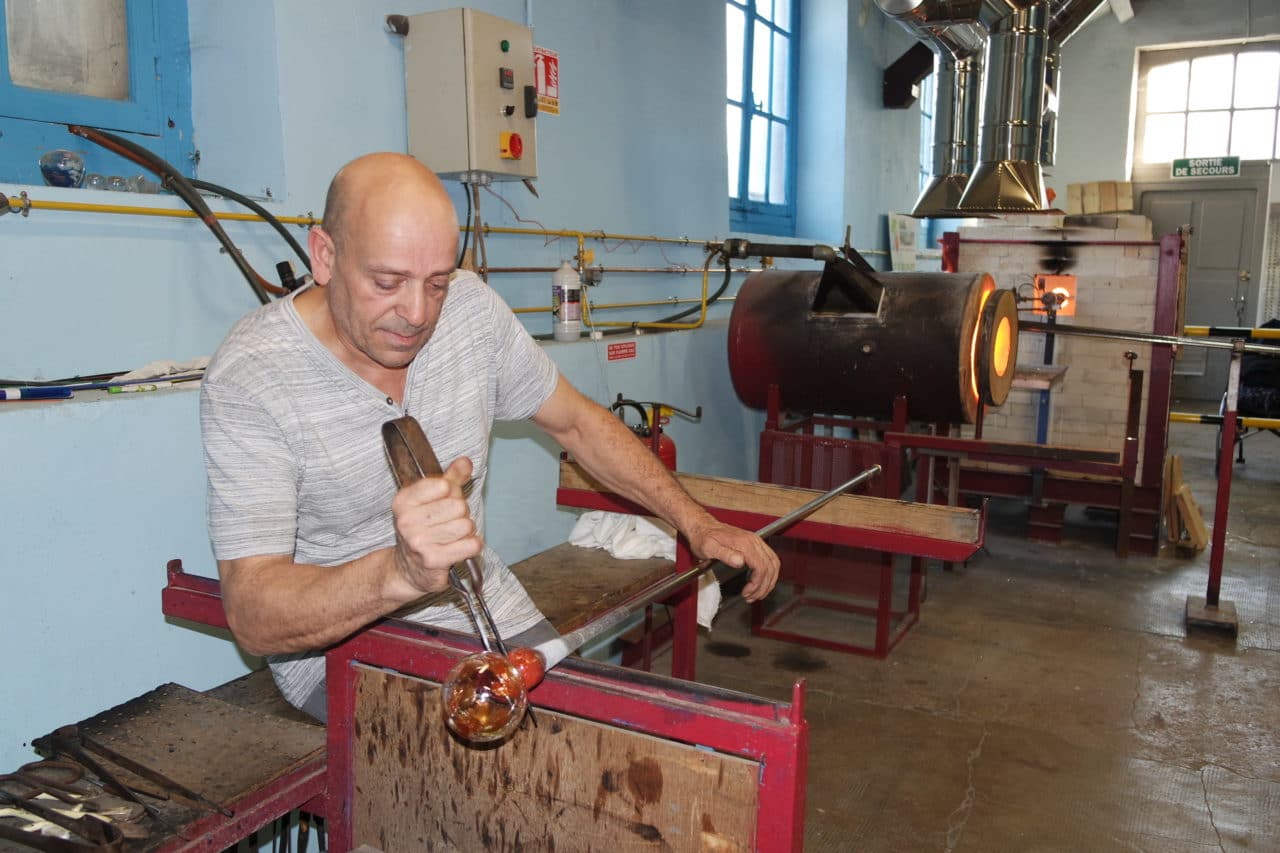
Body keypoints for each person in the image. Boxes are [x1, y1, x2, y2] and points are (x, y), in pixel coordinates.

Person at [200, 152, 780, 720]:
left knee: (583, 738)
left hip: (481, 602)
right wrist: (399, 572)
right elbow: (252, 612)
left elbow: (576, 422)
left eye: (436, 283)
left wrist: (695, 521)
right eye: (387, 282)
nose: (417, 313)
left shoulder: (471, 313)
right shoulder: (254, 375)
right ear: (324, 256)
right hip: (335, 649)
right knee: (472, 788)